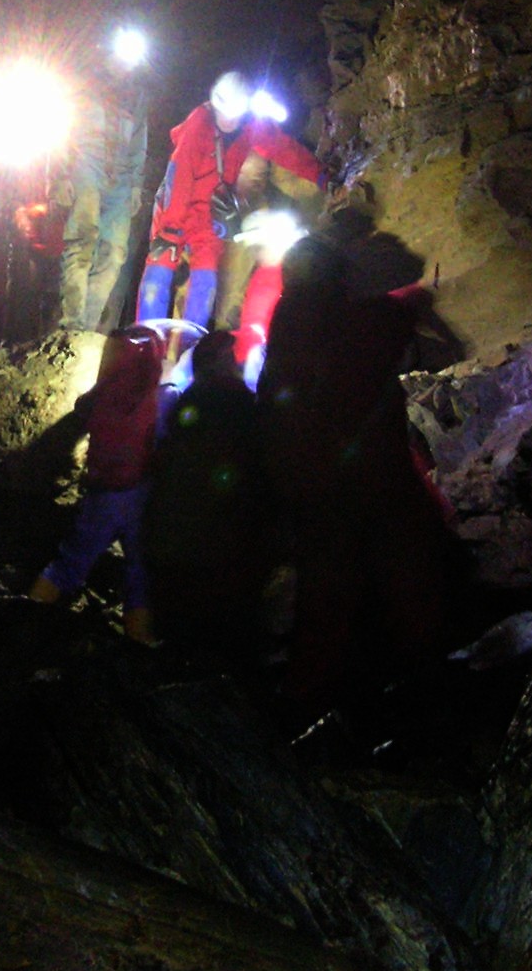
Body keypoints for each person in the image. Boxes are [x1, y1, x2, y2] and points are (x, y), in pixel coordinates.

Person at [257, 235, 467, 721]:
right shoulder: (355, 322)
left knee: (326, 595)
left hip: (311, 485)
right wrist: (412, 304)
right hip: (370, 478)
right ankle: (418, 692)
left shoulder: (287, 323)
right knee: (407, 576)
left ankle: (309, 701)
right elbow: (386, 327)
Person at [139, 71, 320, 330]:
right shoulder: (199, 123)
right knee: (162, 261)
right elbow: (179, 175)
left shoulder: (251, 126)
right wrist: (169, 228)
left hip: (210, 212)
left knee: (206, 275)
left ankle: (191, 343)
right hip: (176, 204)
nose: (227, 120)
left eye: (233, 115)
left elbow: (282, 148)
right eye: (223, 113)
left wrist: (319, 173)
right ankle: (144, 337)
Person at [27, 325, 170, 642]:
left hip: (103, 495)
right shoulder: (161, 395)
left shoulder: (103, 393)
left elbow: (81, 411)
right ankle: (139, 645)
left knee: (68, 565)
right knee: (138, 576)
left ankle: (23, 624)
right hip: (139, 496)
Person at [141, 328, 272, 666]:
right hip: (218, 531)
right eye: (228, 357)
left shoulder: (189, 402)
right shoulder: (237, 403)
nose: (235, 362)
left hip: (186, 532)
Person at [54, 30, 154, 331]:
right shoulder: (84, 85)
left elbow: (138, 144)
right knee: (83, 241)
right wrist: (60, 173)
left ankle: (86, 328)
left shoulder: (136, 97)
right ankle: (71, 324)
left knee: (113, 254)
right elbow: (62, 128)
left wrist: (135, 186)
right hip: (87, 163)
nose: (124, 65)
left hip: (120, 177)